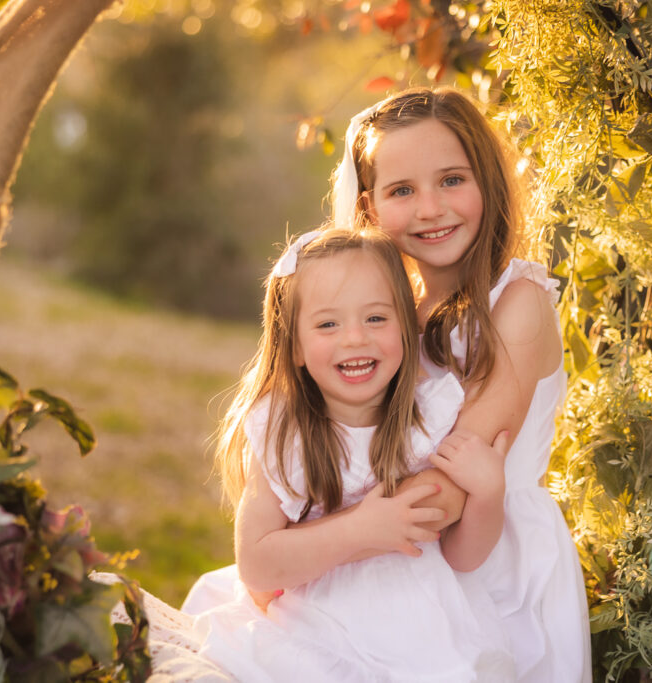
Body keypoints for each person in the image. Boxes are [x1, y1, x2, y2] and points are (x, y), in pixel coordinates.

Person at [328, 87, 592, 682]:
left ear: (488, 181)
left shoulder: (518, 303)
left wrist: (321, 541)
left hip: (486, 566)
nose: (430, 208)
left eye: (451, 179)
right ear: (369, 209)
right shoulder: (390, 315)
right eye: (402, 191)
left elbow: (451, 486)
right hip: (384, 539)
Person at [179, 227, 515, 681]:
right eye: (328, 324)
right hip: (316, 629)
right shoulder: (286, 434)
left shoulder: (430, 418)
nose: (355, 338)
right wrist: (360, 529)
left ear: (405, 325)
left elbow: (463, 557)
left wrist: (488, 493)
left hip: (421, 632)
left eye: (376, 319)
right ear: (294, 345)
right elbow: (256, 563)